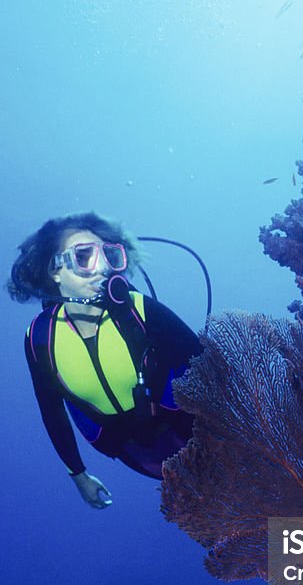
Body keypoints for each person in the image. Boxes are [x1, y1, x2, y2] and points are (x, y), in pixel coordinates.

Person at [8, 213, 202, 509]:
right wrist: (78, 474)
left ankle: (292, 548)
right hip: (131, 450)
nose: (102, 268)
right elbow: (51, 410)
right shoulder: (39, 339)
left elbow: (205, 361)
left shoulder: (140, 311)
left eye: (108, 256)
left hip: (187, 425)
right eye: (84, 256)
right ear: (55, 270)